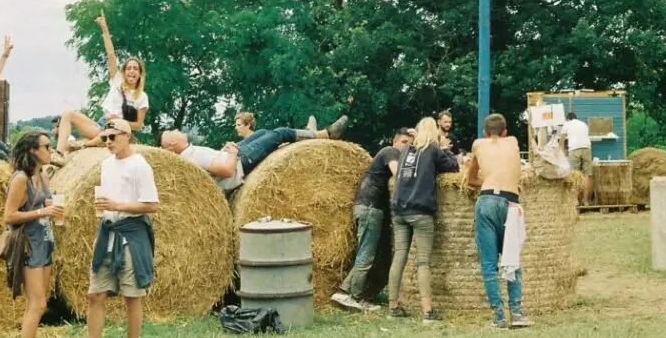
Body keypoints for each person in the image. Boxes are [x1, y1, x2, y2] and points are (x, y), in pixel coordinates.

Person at [68, 119, 158, 338]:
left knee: (132, 295)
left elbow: (152, 205)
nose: (108, 142)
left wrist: (117, 206)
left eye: (112, 137)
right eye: (105, 138)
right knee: (95, 294)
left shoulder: (140, 165)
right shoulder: (106, 165)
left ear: (127, 136)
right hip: (107, 232)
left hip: (131, 234)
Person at [159, 115, 349, 196]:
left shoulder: (189, 153)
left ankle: (306, 136)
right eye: (172, 131)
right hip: (240, 162)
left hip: (233, 154)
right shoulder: (191, 157)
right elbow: (226, 170)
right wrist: (233, 153)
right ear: (173, 143)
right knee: (279, 133)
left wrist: (226, 149)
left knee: (262, 132)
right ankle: (324, 135)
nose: (176, 129)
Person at [385, 117, 459, 323]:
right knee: (423, 261)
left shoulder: (407, 150)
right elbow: (453, 167)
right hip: (420, 210)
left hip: (399, 210)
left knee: (399, 257)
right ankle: (427, 312)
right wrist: (445, 148)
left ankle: (393, 307)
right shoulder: (434, 149)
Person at [331, 127, 413, 312]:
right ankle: (354, 296)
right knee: (366, 254)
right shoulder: (390, 152)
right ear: (395, 141)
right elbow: (398, 174)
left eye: (409, 145)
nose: (405, 147)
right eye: (404, 143)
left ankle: (346, 292)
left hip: (368, 208)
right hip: (370, 208)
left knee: (366, 252)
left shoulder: (389, 153)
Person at [2, 130, 63, 338]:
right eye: (46, 147)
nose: (50, 151)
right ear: (32, 151)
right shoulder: (20, 179)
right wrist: (42, 213)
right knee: (36, 304)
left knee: (40, 303)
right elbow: (9, 216)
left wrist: (49, 206)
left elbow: (41, 203)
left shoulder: (41, 175)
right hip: (28, 245)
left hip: (45, 242)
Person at [54, 12, 149, 162]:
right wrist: (105, 29)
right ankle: (58, 154)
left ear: (140, 74)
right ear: (124, 72)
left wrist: (119, 119)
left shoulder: (142, 97)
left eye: (135, 69)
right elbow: (111, 55)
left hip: (119, 130)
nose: (132, 71)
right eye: (129, 68)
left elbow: (137, 125)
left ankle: (84, 146)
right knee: (67, 114)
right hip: (101, 125)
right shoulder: (117, 82)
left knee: (113, 127)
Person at [467, 113, 532, 330]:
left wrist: (487, 182)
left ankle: (499, 317)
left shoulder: (478, 144)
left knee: (488, 264)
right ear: (505, 132)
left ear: (485, 133)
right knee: (511, 259)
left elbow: (470, 179)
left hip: (486, 201)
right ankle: (517, 313)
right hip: (511, 202)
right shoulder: (513, 142)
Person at [560, 111, 592, 204]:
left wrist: (561, 154)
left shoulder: (566, 124)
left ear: (568, 119)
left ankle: (575, 201)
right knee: (586, 175)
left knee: (575, 175)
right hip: (587, 148)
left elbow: (561, 141)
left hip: (574, 149)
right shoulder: (583, 124)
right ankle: (585, 200)